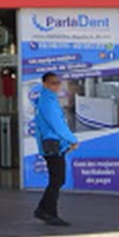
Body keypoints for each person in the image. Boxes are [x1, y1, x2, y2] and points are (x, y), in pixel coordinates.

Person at [33, 72, 77, 227]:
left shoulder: (48, 99)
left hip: (53, 143)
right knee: (57, 179)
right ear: (45, 84)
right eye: (53, 83)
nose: (56, 86)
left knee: (57, 179)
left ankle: (44, 209)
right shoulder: (48, 102)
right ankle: (49, 212)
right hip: (53, 144)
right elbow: (57, 125)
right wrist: (72, 139)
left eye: (58, 83)